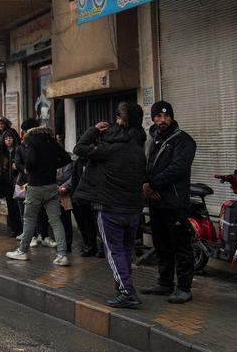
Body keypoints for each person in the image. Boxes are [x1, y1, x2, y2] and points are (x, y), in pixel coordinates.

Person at [73, 102, 147, 309]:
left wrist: (94, 130)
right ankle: (123, 286)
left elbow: (78, 149)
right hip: (133, 209)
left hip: (109, 207)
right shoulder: (139, 149)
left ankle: (126, 291)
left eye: (118, 117)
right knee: (125, 250)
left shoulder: (108, 149)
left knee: (114, 252)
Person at [142, 101, 197, 304]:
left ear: (171, 117)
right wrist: (146, 185)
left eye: (166, 116)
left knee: (180, 246)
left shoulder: (183, 140)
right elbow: (146, 166)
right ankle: (164, 282)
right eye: (158, 116)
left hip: (174, 202)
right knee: (161, 244)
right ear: (153, 118)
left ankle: (184, 288)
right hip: (156, 202)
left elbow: (178, 169)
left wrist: (153, 185)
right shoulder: (153, 139)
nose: (162, 120)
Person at [6, 118, 73, 266]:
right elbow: (66, 158)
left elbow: (30, 163)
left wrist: (30, 170)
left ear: (27, 130)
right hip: (51, 185)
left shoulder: (31, 141)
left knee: (29, 218)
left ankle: (22, 251)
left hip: (35, 186)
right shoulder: (51, 140)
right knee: (56, 220)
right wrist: (50, 166)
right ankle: (62, 254)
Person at [0, 131, 22, 237]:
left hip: (17, 183)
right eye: (6, 138)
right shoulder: (2, 152)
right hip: (6, 183)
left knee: (18, 207)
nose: (8, 140)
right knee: (10, 207)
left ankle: (21, 230)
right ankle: (13, 229)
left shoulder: (19, 150)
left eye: (10, 138)